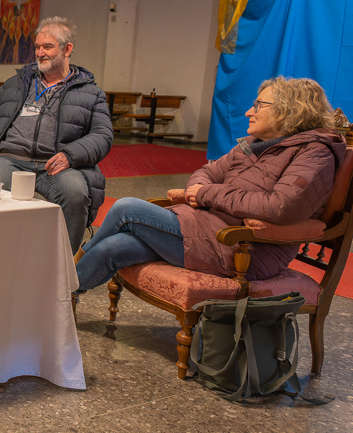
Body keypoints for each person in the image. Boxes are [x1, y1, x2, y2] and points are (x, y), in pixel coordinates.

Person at [75, 77, 346, 291]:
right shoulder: (253, 145)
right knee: (113, 247)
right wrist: (204, 192)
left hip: (243, 247)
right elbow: (205, 173)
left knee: (126, 208)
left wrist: (208, 194)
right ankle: (60, 300)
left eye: (259, 105)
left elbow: (280, 206)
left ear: (290, 111)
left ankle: (74, 261)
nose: (249, 111)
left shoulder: (315, 153)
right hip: (204, 230)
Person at [0, 17, 113, 254]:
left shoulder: (91, 92)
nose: (40, 53)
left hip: (57, 163)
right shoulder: (17, 84)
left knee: (75, 193)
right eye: (37, 47)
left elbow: (102, 134)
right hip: (11, 158)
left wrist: (70, 156)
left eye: (47, 47)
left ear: (67, 49)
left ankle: (62, 268)